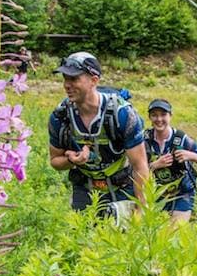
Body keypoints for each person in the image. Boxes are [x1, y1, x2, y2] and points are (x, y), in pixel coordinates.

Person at [48, 52, 149, 219]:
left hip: (123, 187)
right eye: (65, 78)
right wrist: (71, 160)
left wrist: (142, 207)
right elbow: (55, 161)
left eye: (74, 79)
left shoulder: (122, 114)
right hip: (84, 187)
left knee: (121, 242)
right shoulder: (60, 117)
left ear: (94, 80)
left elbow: (140, 166)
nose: (67, 85)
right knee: (83, 239)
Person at [144, 99, 197, 222]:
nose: (159, 119)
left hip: (182, 192)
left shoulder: (181, 139)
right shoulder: (144, 139)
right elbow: (133, 170)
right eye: (154, 115)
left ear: (170, 116)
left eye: (163, 115)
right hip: (154, 195)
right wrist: (155, 165)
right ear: (149, 117)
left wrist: (192, 156)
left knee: (177, 231)